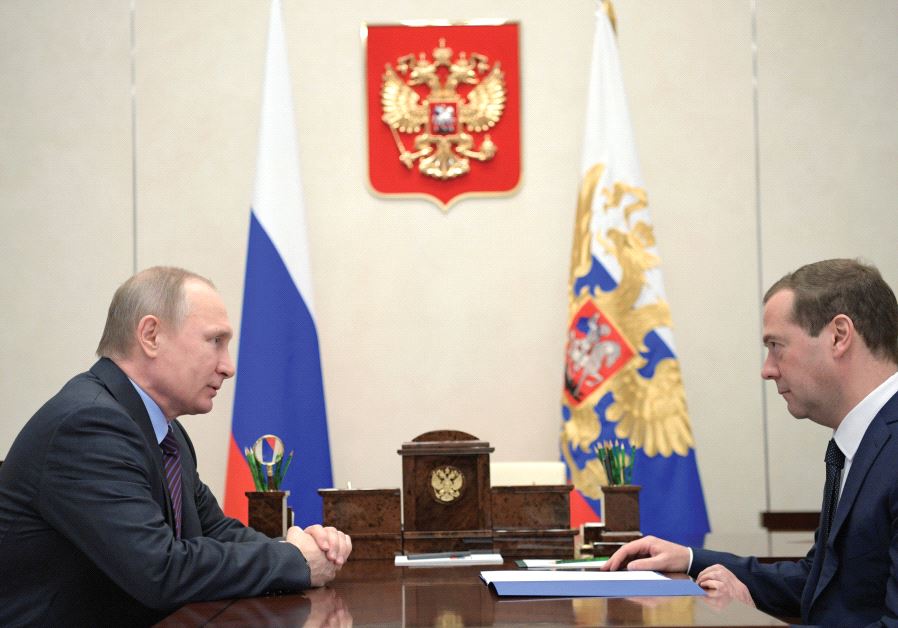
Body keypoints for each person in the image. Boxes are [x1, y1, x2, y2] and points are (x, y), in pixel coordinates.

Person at [0, 267, 352, 626]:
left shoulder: (164, 432)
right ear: (151, 336)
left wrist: (299, 548)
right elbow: (160, 571)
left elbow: (215, 531)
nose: (228, 367)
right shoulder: (88, 427)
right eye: (215, 341)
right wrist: (294, 561)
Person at [603, 258, 898, 626]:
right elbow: (819, 584)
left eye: (776, 345)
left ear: (839, 335)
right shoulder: (862, 440)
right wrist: (692, 561)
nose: (767, 368)